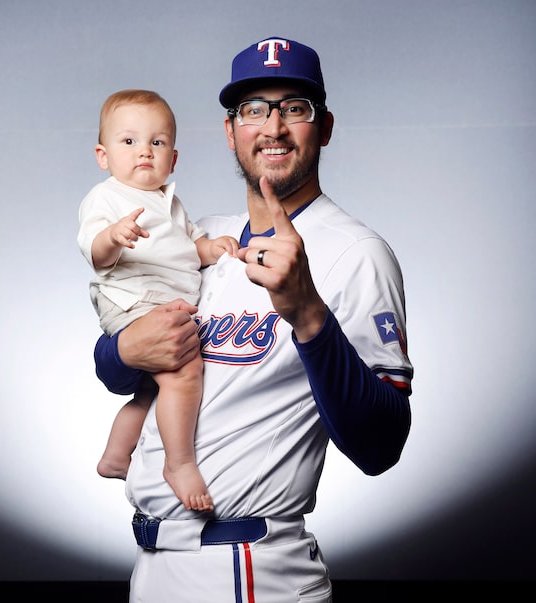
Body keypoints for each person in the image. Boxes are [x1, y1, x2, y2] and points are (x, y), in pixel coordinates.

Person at [92, 38, 413, 601]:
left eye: (295, 107)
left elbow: (381, 445)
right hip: (151, 565)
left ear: (325, 127)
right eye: (254, 109)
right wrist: (123, 351)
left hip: (249, 568)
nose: (274, 127)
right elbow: (119, 366)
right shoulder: (199, 237)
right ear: (230, 130)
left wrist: (309, 315)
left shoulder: (355, 252)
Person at [77, 89, 239, 513]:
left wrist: (214, 249)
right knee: (184, 373)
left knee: (152, 392)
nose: (144, 152)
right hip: (134, 299)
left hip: (162, 301)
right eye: (128, 142)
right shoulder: (107, 197)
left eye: (157, 142)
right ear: (103, 155)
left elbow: (192, 247)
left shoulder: (172, 202)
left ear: (173, 157)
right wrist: (112, 237)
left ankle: (116, 456)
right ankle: (179, 463)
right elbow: (94, 252)